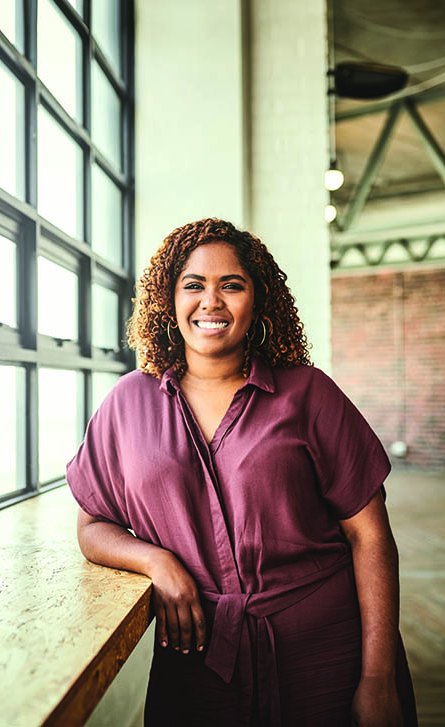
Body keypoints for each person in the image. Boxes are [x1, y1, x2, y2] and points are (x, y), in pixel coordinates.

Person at [66, 218, 417, 726]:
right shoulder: (128, 403)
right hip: (197, 660)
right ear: (169, 299)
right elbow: (92, 526)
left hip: (327, 653)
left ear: (258, 302)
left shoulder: (309, 393)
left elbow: (371, 537)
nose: (211, 301)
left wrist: (378, 679)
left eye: (232, 285)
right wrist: (158, 563)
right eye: (194, 285)